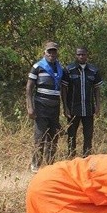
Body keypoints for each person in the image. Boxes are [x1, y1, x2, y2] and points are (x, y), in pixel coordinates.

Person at [26, 41, 64, 173]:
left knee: (53, 138)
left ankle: (49, 166)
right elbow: (29, 88)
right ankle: (35, 166)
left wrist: (65, 108)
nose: (52, 54)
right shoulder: (38, 67)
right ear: (44, 53)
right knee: (40, 137)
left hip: (55, 108)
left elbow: (63, 90)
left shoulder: (59, 68)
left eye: (54, 52)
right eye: (49, 51)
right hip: (41, 107)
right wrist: (30, 107)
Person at [61, 47, 104, 158]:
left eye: (83, 54)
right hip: (73, 109)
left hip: (89, 109)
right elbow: (64, 89)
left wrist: (98, 105)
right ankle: (71, 157)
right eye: (79, 54)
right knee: (71, 134)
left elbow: (97, 89)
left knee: (88, 135)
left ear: (87, 55)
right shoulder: (69, 70)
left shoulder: (94, 71)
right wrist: (65, 107)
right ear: (76, 55)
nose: (81, 56)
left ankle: (86, 158)